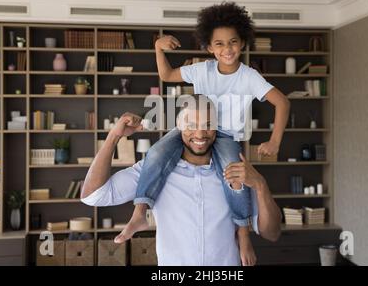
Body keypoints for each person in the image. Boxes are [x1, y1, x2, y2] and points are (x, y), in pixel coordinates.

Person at [116, 2, 290, 265]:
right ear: (210, 47)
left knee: (235, 179)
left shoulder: (249, 77)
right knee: (156, 152)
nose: (227, 49)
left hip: (226, 136)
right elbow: (166, 74)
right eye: (219, 44)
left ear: (242, 43)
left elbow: (282, 102)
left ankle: (243, 238)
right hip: (195, 128)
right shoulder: (202, 70)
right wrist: (157, 48)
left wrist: (275, 141)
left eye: (232, 42)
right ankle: (140, 212)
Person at [81, 97, 282, 265]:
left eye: (207, 125)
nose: (200, 134)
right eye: (191, 125)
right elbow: (92, 196)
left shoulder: (237, 170)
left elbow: (272, 233)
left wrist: (261, 185)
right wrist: (114, 136)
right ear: (178, 127)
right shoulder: (153, 170)